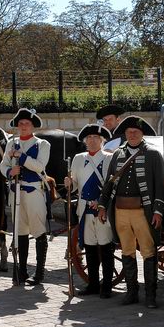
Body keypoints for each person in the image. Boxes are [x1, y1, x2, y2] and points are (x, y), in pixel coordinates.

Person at [98, 116, 164, 308]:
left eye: (136, 132)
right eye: (129, 132)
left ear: (142, 134)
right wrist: (102, 205)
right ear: (125, 134)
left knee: (148, 252)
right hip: (120, 210)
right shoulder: (117, 154)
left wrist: (158, 211)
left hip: (142, 211)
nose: (132, 134)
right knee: (127, 251)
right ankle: (131, 292)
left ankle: (150, 295)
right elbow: (109, 181)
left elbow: (159, 186)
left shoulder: (153, 155)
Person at [0, 108, 51, 286]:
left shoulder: (42, 144)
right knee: (20, 232)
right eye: (20, 124)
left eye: (27, 124)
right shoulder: (11, 143)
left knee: (38, 231)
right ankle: (21, 271)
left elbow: (39, 166)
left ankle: (39, 272)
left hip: (34, 190)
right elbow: (3, 165)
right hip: (16, 192)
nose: (23, 126)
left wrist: (21, 157)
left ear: (32, 126)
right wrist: (9, 171)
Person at [64, 123, 115, 297]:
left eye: (96, 138)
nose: (92, 141)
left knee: (105, 248)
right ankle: (93, 284)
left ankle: (107, 285)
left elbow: (112, 185)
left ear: (102, 141)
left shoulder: (109, 158)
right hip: (84, 209)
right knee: (90, 248)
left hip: (101, 209)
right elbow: (75, 185)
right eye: (89, 138)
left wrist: (101, 202)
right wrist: (70, 183)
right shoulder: (78, 158)